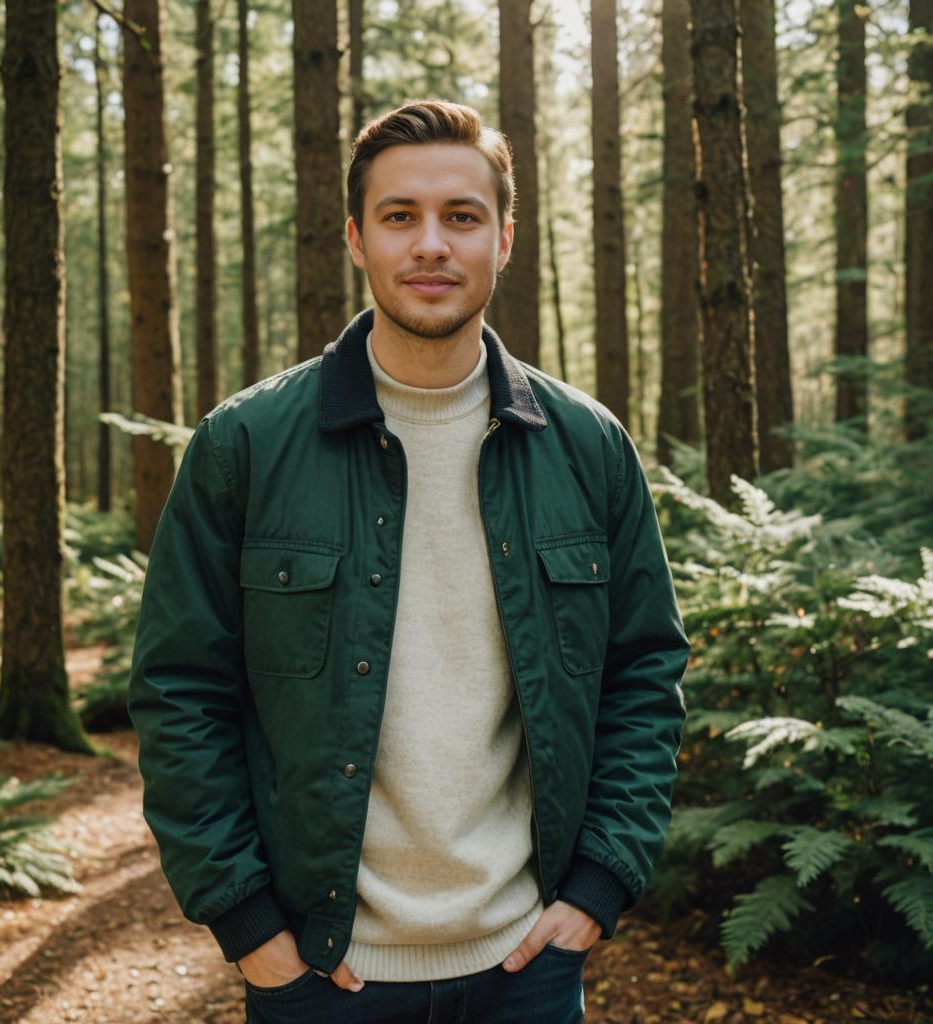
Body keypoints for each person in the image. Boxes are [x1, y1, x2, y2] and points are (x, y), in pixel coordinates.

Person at [128, 99, 689, 1024]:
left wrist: (598, 886)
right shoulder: (247, 446)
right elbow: (181, 689)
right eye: (400, 216)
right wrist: (247, 924)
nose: (432, 243)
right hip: (316, 975)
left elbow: (643, 671)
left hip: (529, 970)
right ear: (357, 238)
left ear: (504, 238)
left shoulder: (588, 448)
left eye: (462, 216)